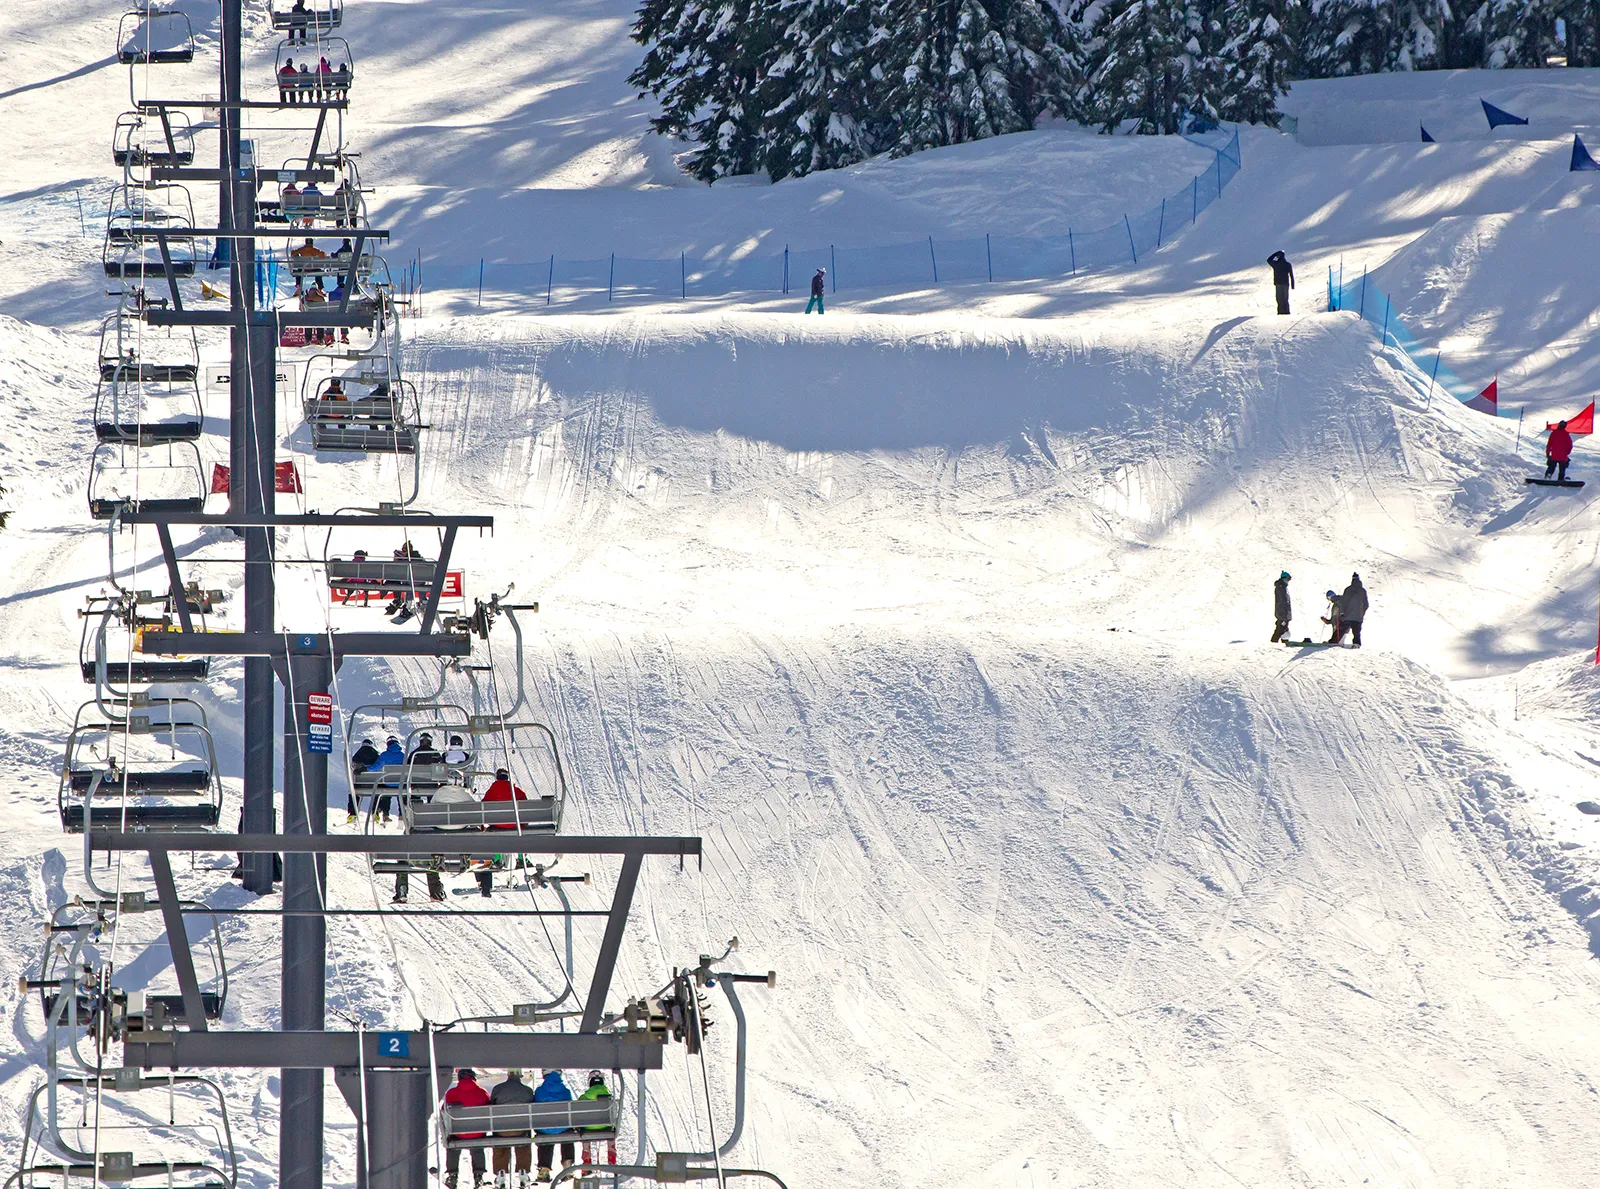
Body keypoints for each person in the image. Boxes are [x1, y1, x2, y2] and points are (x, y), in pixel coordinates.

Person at [444, 1069, 492, 1189]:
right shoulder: (482, 1092)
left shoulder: (451, 1093)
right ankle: (478, 1176)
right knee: (477, 1147)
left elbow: (444, 1110)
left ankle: (452, 1175)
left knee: (453, 1146)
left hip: (458, 1132)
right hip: (478, 1132)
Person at [489, 1069, 537, 1189]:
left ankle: (500, 1172)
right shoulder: (527, 1090)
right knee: (525, 1135)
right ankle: (523, 1171)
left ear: (508, 1074)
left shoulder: (498, 1089)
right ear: (520, 1075)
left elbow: (491, 1105)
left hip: (501, 1131)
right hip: (521, 1130)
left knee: (499, 1136)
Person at [532, 1070, 574, 1182]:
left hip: (544, 1129)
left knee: (544, 1130)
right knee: (567, 1132)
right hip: (564, 1128)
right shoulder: (565, 1091)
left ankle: (544, 1169)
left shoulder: (539, 1091)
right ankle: (567, 1165)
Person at [578, 1072, 615, 1167]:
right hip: (605, 1126)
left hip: (588, 1127)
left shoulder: (583, 1098)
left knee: (584, 1132)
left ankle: (586, 1162)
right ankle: (612, 1158)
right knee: (611, 1130)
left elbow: (578, 1114)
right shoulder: (609, 1098)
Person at [347, 737, 379, 820]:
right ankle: (376, 812)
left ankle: (353, 813)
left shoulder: (357, 755)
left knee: (353, 792)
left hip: (360, 784)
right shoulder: (375, 755)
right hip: (373, 784)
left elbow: (353, 764)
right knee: (377, 793)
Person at [1337, 572, 1368, 647]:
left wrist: (1342, 613)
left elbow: (1343, 603)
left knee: (1341, 630)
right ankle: (1357, 645)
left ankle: (1333, 642)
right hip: (1358, 618)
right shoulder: (1363, 591)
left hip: (1347, 616)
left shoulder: (1348, 590)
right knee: (1357, 634)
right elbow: (1366, 604)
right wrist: (1362, 613)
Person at [1267, 250, 1294, 315]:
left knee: (1279, 298)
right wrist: (1292, 285)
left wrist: (1275, 254)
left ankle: (1280, 311)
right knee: (1285, 298)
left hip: (1278, 283)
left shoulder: (1276, 264)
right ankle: (1287, 311)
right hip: (1285, 283)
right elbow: (1291, 275)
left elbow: (1268, 260)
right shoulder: (1288, 264)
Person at [1547, 419, 1574, 483]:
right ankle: (1561, 479)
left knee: (1551, 466)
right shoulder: (1566, 435)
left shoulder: (1554, 433)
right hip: (1563, 456)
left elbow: (1549, 444)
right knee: (1562, 469)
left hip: (1554, 455)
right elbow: (1570, 446)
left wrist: (1547, 452)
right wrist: (1566, 453)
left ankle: (1548, 476)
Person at [1271, 570, 1291, 643]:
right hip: (1282, 614)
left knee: (1283, 629)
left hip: (1284, 614)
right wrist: (1284, 615)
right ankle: (1274, 642)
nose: (1288, 581)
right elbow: (1282, 602)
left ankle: (1284, 642)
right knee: (1280, 629)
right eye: (1288, 579)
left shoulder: (1283, 588)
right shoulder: (1281, 587)